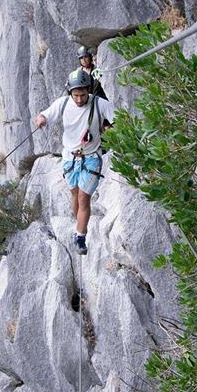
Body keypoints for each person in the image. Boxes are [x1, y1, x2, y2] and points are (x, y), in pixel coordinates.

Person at [34, 69, 114, 255]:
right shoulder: (63, 104)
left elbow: (116, 120)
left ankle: (80, 237)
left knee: (83, 198)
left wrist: (108, 129)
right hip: (70, 157)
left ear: (89, 90)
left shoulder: (99, 104)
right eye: (76, 95)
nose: (79, 99)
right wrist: (40, 119)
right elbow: (44, 115)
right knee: (75, 196)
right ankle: (79, 223)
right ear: (70, 92)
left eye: (83, 95)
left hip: (92, 157)